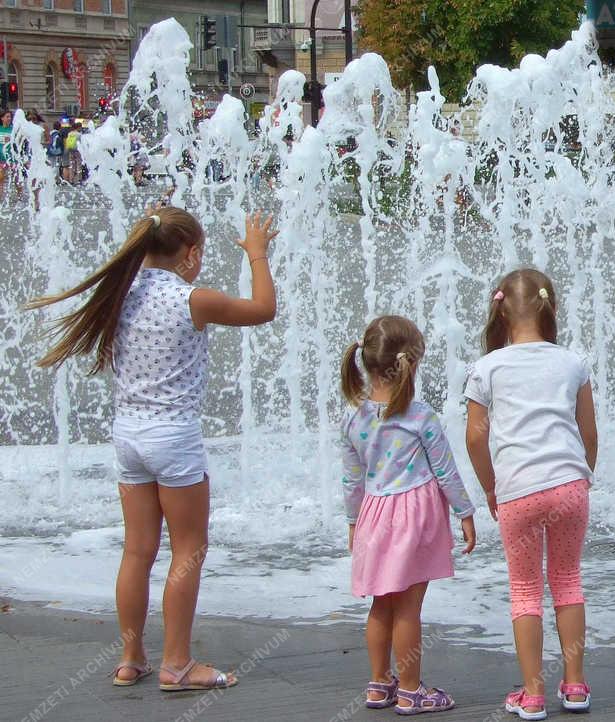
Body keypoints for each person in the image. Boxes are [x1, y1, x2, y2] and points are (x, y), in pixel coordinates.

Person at [26, 207, 280, 692]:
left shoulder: (120, 294)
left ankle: (130, 658)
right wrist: (257, 253)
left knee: (138, 550)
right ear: (191, 253)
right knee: (188, 549)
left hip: (128, 437)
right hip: (174, 439)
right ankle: (177, 665)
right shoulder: (192, 299)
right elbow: (264, 310)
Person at [464, 269, 598, 721]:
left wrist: (490, 486)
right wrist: (582, 478)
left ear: (499, 311)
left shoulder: (486, 369)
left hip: (518, 490)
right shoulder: (572, 362)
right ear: (551, 309)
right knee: (568, 580)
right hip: (568, 487)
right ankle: (576, 685)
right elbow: (588, 432)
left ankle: (533, 693)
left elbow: (474, 439)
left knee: (524, 589)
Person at [341, 315, 477, 714]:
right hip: (414, 518)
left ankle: (379, 683)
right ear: (411, 365)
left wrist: (353, 522)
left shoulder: (352, 416)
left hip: (374, 514)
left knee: (381, 604)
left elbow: (351, 480)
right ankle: (412, 690)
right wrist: (465, 512)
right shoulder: (421, 417)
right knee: (408, 608)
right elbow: (445, 470)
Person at [0, 109, 13, 198]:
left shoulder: (13, 130)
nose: (9, 118)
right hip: (1, 159)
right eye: (7, 117)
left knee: (16, 179)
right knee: (1, 179)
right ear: (2, 118)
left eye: (10, 117)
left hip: (12, 159)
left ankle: (19, 198)